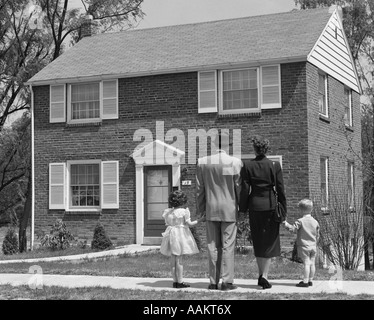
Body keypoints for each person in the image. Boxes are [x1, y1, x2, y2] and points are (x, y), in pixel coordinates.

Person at [196, 131, 242, 291]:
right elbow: (237, 188)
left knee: (212, 245)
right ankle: (227, 281)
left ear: (214, 144)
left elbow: (199, 189)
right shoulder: (234, 162)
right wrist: (241, 208)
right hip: (229, 209)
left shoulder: (203, 162)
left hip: (211, 208)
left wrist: (201, 209)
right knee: (228, 245)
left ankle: (213, 281)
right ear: (229, 144)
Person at [239, 136, 287, 289]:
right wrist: (284, 209)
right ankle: (264, 276)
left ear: (254, 149)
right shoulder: (275, 165)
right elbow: (281, 189)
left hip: (254, 206)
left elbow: (245, 190)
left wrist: (242, 209)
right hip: (270, 205)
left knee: (258, 241)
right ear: (267, 149)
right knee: (269, 241)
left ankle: (261, 275)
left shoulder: (247, 165)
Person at [160, 190, 204, 289]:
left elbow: (168, 223)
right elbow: (189, 224)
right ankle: (180, 282)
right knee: (179, 259)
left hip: (170, 234)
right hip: (180, 235)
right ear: (183, 201)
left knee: (172, 259)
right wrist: (200, 220)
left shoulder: (168, 212)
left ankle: (174, 281)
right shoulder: (184, 211)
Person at [284, 199, 320, 287]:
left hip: (304, 246)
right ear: (311, 209)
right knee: (312, 263)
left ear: (301, 210)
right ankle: (311, 280)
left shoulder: (300, 221)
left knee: (306, 263)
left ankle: (305, 281)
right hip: (313, 246)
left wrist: (285, 224)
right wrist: (315, 243)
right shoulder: (315, 222)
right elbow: (318, 235)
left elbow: (293, 229)